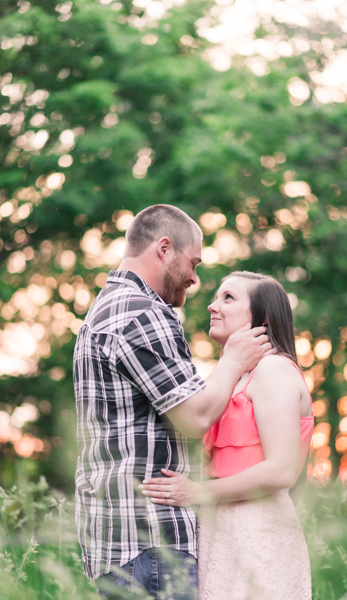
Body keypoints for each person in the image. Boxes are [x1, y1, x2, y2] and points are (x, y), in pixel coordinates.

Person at [74, 205, 272, 600]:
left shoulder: (102, 311)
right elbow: (195, 417)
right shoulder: (141, 312)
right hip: (152, 540)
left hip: (118, 543)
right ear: (164, 248)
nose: (195, 278)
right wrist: (233, 360)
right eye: (193, 262)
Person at [141, 271, 313, 599]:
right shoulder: (234, 379)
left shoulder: (272, 370)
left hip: (259, 526)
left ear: (260, 318)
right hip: (223, 529)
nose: (212, 305)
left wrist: (196, 492)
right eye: (217, 296)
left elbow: (283, 470)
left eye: (228, 298)